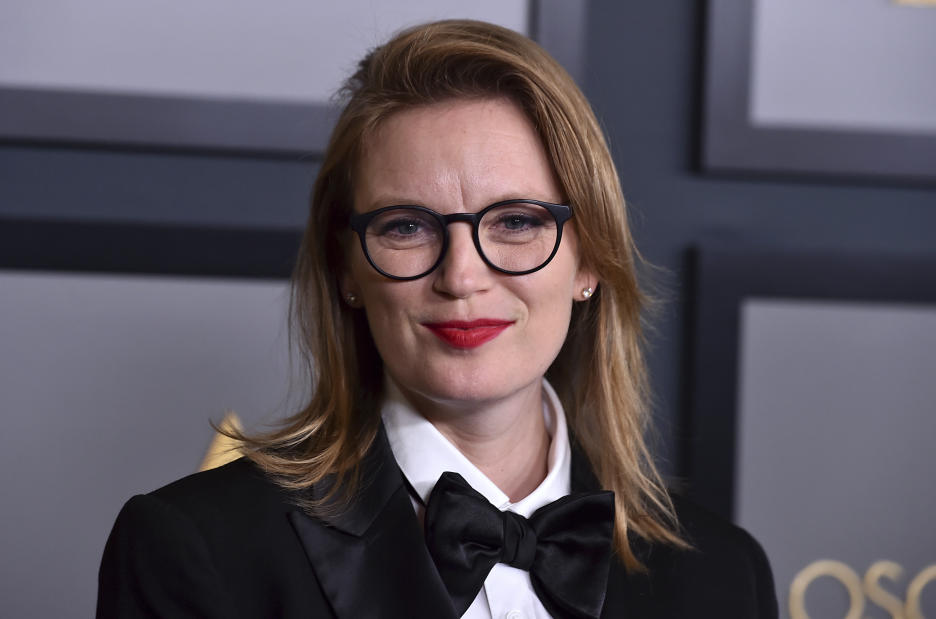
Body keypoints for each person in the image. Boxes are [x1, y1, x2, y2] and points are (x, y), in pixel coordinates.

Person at [97, 19, 777, 619]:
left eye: (515, 221)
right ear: (347, 269)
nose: (460, 276)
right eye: (407, 226)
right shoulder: (196, 549)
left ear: (590, 258)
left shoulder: (726, 575)